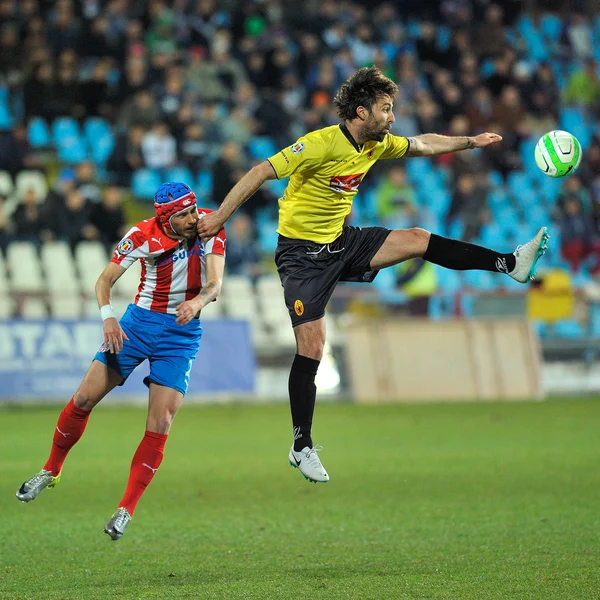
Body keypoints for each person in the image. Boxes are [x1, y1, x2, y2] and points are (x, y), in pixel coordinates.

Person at [197, 66, 549, 484]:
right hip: (301, 257)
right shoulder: (319, 144)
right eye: (386, 109)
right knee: (312, 346)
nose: (393, 118)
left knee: (417, 237)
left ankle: (509, 264)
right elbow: (260, 172)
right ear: (361, 112)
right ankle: (301, 445)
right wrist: (219, 216)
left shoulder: (376, 144)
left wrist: (470, 142)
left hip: (342, 241)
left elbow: (422, 144)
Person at [16, 182, 226, 541]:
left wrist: (198, 303)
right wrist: (108, 317)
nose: (194, 219)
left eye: (194, 210)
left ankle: (126, 508)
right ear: (166, 218)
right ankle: (51, 469)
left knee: (161, 421)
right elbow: (104, 281)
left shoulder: (210, 226)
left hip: (181, 334)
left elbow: (216, 284)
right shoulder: (141, 234)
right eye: (184, 215)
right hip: (137, 326)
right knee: (83, 399)